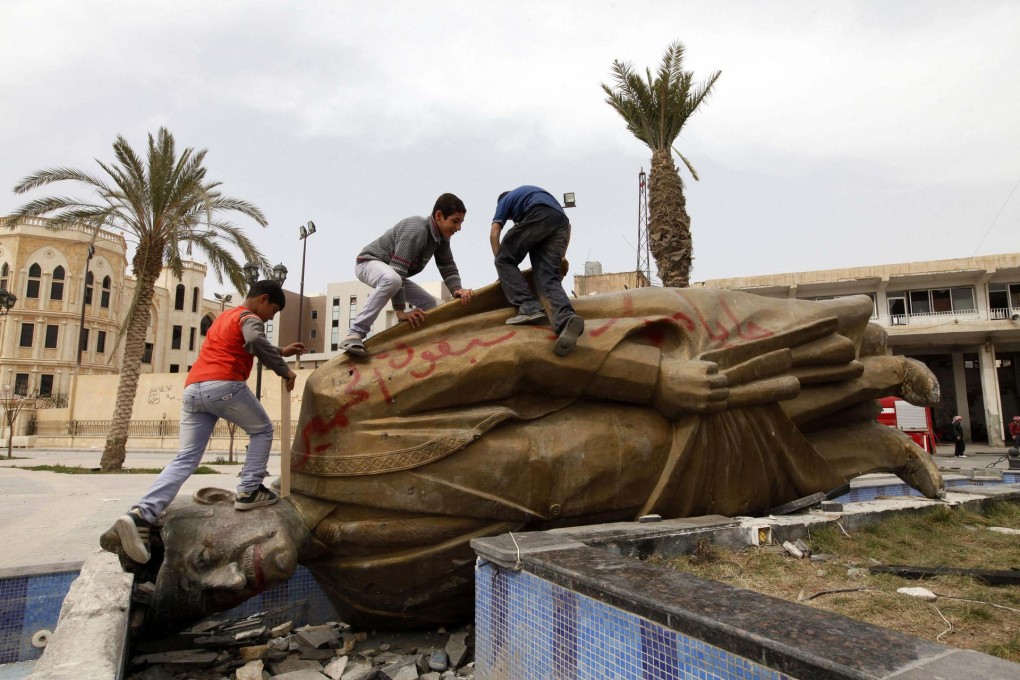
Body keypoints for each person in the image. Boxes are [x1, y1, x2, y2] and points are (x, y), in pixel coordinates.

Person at [102, 284, 945, 636]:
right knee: (775, 461)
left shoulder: (331, 412)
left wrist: (657, 380)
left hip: (623, 401)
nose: (231, 579)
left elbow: (511, 357)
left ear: (222, 502)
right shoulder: (364, 599)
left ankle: (873, 363)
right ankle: (878, 448)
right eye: (210, 596)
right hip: (643, 489)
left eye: (206, 560)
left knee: (776, 364)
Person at [112, 280, 306, 565]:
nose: (270, 317)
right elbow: (254, 339)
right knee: (263, 430)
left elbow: (244, 340)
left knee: (186, 458)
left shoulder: (225, 317)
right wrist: (283, 370)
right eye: (273, 311)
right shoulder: (250, 318)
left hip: (193, 389)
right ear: (263, 299)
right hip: (224, 385)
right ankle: (250, 489)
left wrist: (280, 350)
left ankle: (141, 514)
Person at [340, 193, 474, 357]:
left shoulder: (441, 239)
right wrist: (400, 312)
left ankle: (410, 345)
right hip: (368, 263)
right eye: (455, 221)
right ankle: (354, 334)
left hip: (394, 274)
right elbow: (398, 271)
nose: (458, 228)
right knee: (393, 279)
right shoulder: (416, 230)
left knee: (429, 304)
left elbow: (447, 266)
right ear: (439, 216)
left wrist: (457, 289)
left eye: (461, 222)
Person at [490, 185, 584, 356]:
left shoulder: (505, 201)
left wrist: (502, 265)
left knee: (504, 259)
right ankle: (566, 320)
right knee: (546, 277)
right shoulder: (530, 194)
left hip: (538, 213)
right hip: (560, 221)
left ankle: (528, 307)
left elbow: (494, 233)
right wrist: (561, 256)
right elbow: (568, 226)